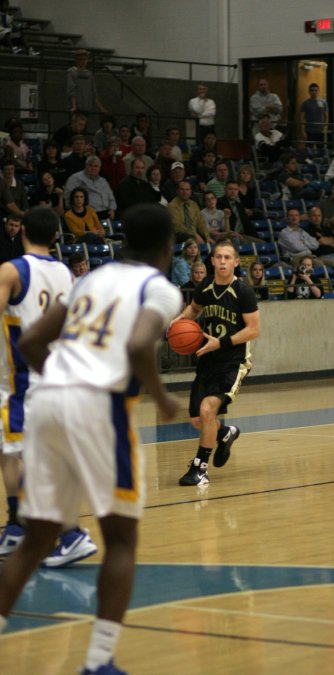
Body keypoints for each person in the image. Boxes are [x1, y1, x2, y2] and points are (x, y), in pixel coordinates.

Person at [0, 203, 182, 675]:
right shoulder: (159, 288)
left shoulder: (89, 279)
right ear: (167, 248)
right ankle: (99, 661)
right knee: (121, 539)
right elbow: (140, 344)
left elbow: (30, 342)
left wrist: (62, 379)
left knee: (36, 539)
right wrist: (161, 399)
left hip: (46, 401)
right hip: (99, 406)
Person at [0, 206, 98, 569]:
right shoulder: (64, 273)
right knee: (19, 454)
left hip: (21, 382)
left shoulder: (12, 270)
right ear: (56, 235)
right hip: (58, 376)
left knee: (20, 457)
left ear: (22, 228)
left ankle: (69, 534)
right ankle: (17, 527)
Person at [174, 239, 260, 486]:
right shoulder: (206, 286)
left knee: (207, 410)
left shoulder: (242, 291)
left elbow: (254, 330)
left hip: (233, 361)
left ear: (235, 262)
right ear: (212, 261)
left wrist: (220, 343)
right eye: (218, 257)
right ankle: (225, 434)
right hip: (208, 360)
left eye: (227, 257)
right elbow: (193, 310)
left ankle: (200, 469)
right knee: (197, 420)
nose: (222, 261)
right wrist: (177, 322)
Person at [64, 155, 116, 220]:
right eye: (90, 165)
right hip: (85, 215)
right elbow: (67, 199)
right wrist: (79, 211)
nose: (93, 168)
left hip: (105, 214)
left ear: (100, 168)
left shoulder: (103, 181)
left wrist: (112, 209)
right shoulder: (75, 178)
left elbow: (112, 199)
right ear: (85, 166)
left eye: (96, 166)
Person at [66, 49, 107, 113]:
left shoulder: (90, 74)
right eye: (80, 59)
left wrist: (102, 109)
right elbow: (72, 89)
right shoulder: (71, 72)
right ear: (76, 60)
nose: (83, 61)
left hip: (87, 107)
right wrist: (74, 106)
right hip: (76, 107)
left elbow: (94, 92)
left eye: (85, 59)